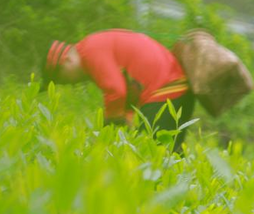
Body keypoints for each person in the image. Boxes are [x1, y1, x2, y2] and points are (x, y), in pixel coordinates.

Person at [42, 29, 195, 151]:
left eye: (63, 79)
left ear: (67, 61)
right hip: (174, 85)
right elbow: (126, 91)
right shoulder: (92, 46)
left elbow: (116, 91)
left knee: (152, 153)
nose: (70, 84)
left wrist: (108, 133)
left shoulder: (90, 52)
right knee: (170, 153)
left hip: (164, 88)